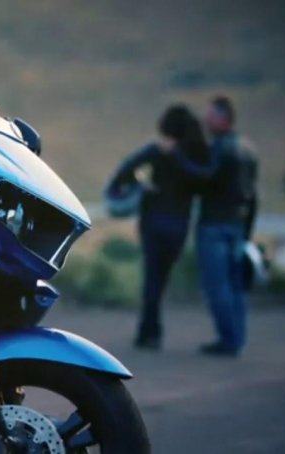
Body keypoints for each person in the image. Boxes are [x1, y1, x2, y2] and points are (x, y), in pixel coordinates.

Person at [106, 105, 210, 349]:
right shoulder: (195, 155)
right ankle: (151, 328)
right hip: (179, 223)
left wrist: (140, 184)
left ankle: (149, 331)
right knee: (161, 277)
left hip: (153, 220)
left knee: (152, 276)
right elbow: (203, 181)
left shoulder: (157, 151)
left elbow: (123, 171)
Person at [196, 95, 258, 356]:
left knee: (217, 286)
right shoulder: (248, 150)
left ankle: (228, 340)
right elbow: (253, 195)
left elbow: (203, 179)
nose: (206, 121)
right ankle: (236, 339)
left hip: (214, 224)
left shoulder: (219, 149)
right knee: (235, 287)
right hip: (237, 225)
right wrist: (247, 232)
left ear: (224, 118)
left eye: (211, 116)